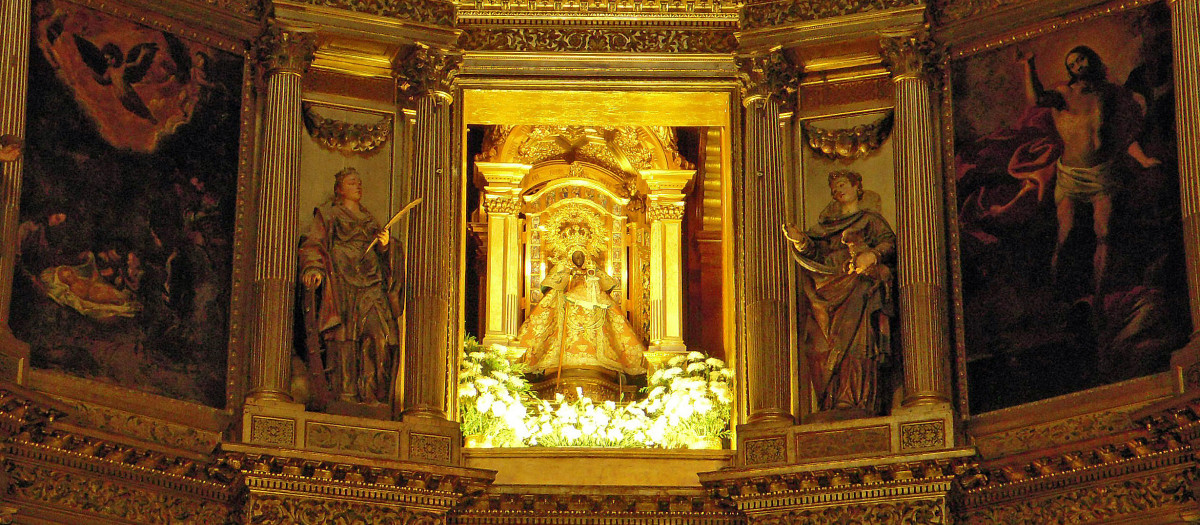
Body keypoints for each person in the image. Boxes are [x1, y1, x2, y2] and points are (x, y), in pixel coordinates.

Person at [1020, 46, 1160, 292]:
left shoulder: (1110, 93)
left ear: (1091, 59)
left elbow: (1124, 135)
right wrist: (1029, 65)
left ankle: (1098, 298)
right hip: (1071, 176)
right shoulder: (1064, 93)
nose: (1078, 66)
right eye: (1072, 64)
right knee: (1065, 235)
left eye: (1081, 59)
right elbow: (1037, 100)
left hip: (1103, 175)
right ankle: (1053, 293)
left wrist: (1143, 160)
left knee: (1104, 234)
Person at [782, 170, 896, 419]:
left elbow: (889, 243)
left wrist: (872, 255)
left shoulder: (870, 219)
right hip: (827, 288)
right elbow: (815, 254)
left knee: (857, 343)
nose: (838, 190)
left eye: (842, 184)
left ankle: (855, 399)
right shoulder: (824, 227)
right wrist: (800, 241)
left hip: (859, 287)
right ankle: (830, 399)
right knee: (820, 345)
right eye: (834, 188)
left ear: (856, 187)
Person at [299, 168, 400, 405]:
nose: (358, 186)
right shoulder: (328, 215)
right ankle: (346, 394)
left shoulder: (370, 221)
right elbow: (313, 244)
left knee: (379, 335)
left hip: (371, 284)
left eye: (359, 182)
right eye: (352, 182)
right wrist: (313, 268)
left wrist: (385, 246)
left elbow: (385, 257)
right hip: (342, 284)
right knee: (345, 338)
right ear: (340, 189)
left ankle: (373, 393)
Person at [516, 249, 646, 381]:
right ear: (570, 257)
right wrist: (566, 275)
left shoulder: (591, 267)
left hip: (592, 305)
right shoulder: (564, 268)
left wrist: (592, 276)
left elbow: (606, 283)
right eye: (575, 256)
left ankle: (599, 359)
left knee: (610, 316)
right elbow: (549, 284)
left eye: (581, 256)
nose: (578, 259)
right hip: (566, 307)